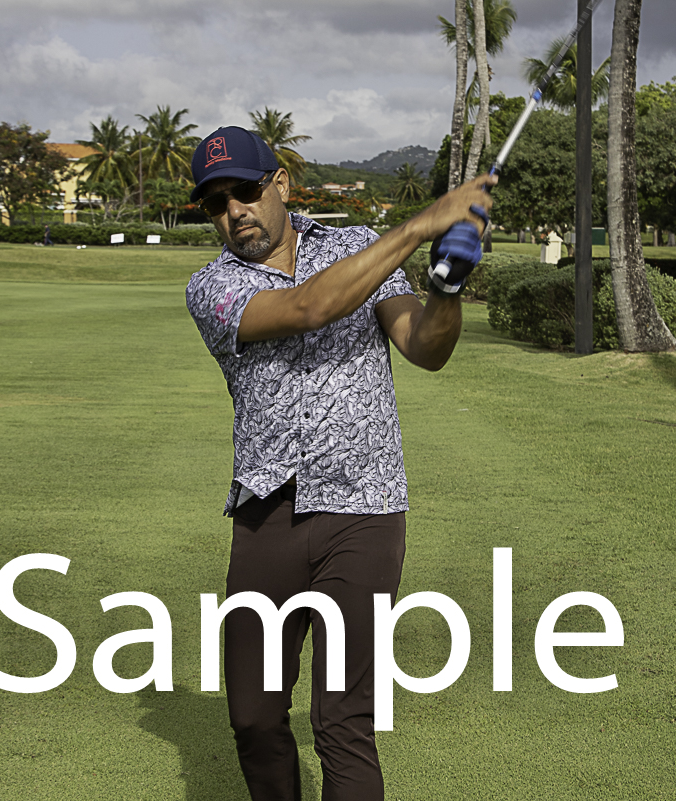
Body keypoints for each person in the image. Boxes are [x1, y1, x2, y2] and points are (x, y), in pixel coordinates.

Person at [185, 126, 493, 801]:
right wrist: (421, 226)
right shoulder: (211, 286)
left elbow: (424, 346)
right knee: (254, 716)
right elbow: (308, 307)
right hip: (267, 513)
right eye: (214, 202)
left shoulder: (357, 246)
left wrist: (446, 287)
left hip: (365, 510)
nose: (233, 210)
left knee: (344, 720)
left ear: (280, 184)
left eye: (244, 191)